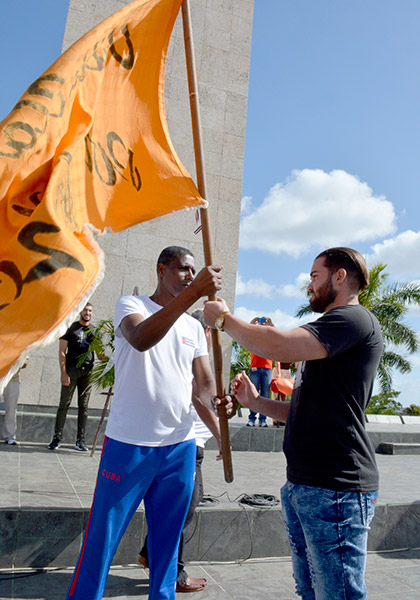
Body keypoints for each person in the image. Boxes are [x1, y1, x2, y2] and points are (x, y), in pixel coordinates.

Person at [204, 247, 383, 600]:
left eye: (315, 276)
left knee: (338, 595)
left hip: (337, 489)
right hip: (305, 485)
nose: (309, 286)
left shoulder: (353, 320)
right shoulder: (328, 335)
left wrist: (225, 320)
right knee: (311, 591)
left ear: (340, 276)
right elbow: (301, 411)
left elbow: (278, 345)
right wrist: (255, 403)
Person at [66, 246, 232, 600]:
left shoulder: (193, 327)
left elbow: (203, 387)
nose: (189, 276)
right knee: (102, 539)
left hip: (180, 447)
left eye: (193, 271)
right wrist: (193, 293)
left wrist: (221, 408)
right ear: (161, 269)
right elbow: (141, 340)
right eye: (183, 270)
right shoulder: (132, 306)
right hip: (129, 445)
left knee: (167, 544)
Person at [138, 308, 222, 593]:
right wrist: (221, 435)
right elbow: (198, 398)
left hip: (184, 443)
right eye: (210, 331)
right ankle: (176, 574)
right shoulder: (191, 354)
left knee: (178, 509)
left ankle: (150, 554)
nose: (211, 337)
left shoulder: (192, 356)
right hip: (187, 445)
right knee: (183, 512)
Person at [48, 303, 95, 452]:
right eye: (85, 310)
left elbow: (100, 353)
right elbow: (62, 351)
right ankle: (57, 438)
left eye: (90, 311)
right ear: (80, 311)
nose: (87, 313)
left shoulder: (94, 331)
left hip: (87, 372)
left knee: (84, 407)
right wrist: (63, 373)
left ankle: (81, 440)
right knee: (64, 404)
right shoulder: (70, 328)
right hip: (71, 371)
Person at [247, 316, 275, 427]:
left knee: (265, 395)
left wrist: (271, 324)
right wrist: (253, 322)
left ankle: (263, 419)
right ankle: (252, 419)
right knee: (253, 394)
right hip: (255, 367)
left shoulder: (270, 337)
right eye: (261, 323)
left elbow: (278, 336)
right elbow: (246, 332)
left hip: (267, 368)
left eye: (264, 323)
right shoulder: (254, 336)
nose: (262, 324)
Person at [1, 358, 28, 445]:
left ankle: (10, 436)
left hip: (13, 378)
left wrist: (16, 360)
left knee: (11, 408)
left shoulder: (20, 345)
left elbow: (25, 363)